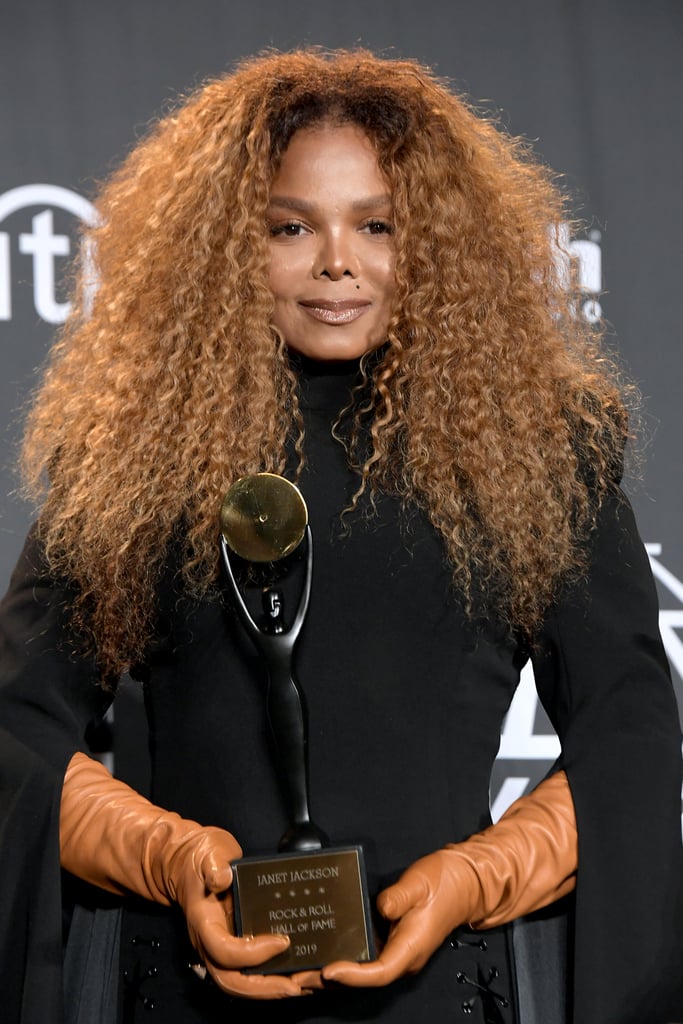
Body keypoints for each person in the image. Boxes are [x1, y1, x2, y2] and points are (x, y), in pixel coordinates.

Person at [0, 49, 680, 1024]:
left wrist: (475, 878)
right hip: (185, 991)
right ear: (227, 244)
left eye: (377, 225)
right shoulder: (136, 452)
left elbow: (628, 731)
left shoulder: (540, 447)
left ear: (438, 243)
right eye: (289, 226)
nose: (335, 262)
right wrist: (167, 859)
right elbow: (17, 726)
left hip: (441, 987)